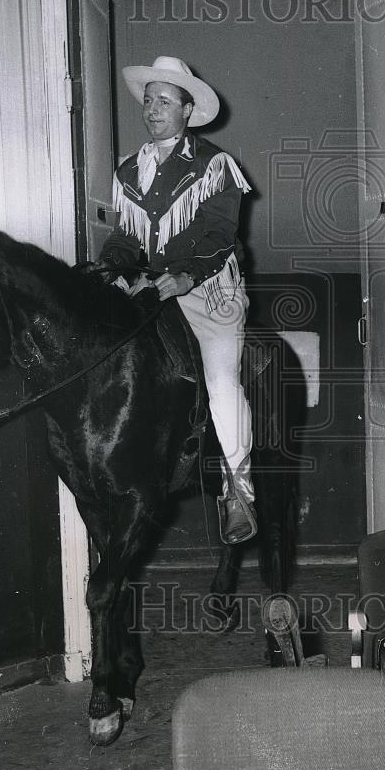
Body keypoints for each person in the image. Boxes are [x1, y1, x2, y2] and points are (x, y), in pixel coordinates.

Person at [97, 56, 256, 545]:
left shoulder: (214, 165)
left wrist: (186, 276)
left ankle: (238, 487)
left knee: (220, 378)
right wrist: (111, 268)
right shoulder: (129, 171)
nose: (152, 109)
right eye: (148, 100)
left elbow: (219, 234)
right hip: (153, 287)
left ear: (188, 109)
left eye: (164, 100)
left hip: (209, 290)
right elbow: (125, 237)